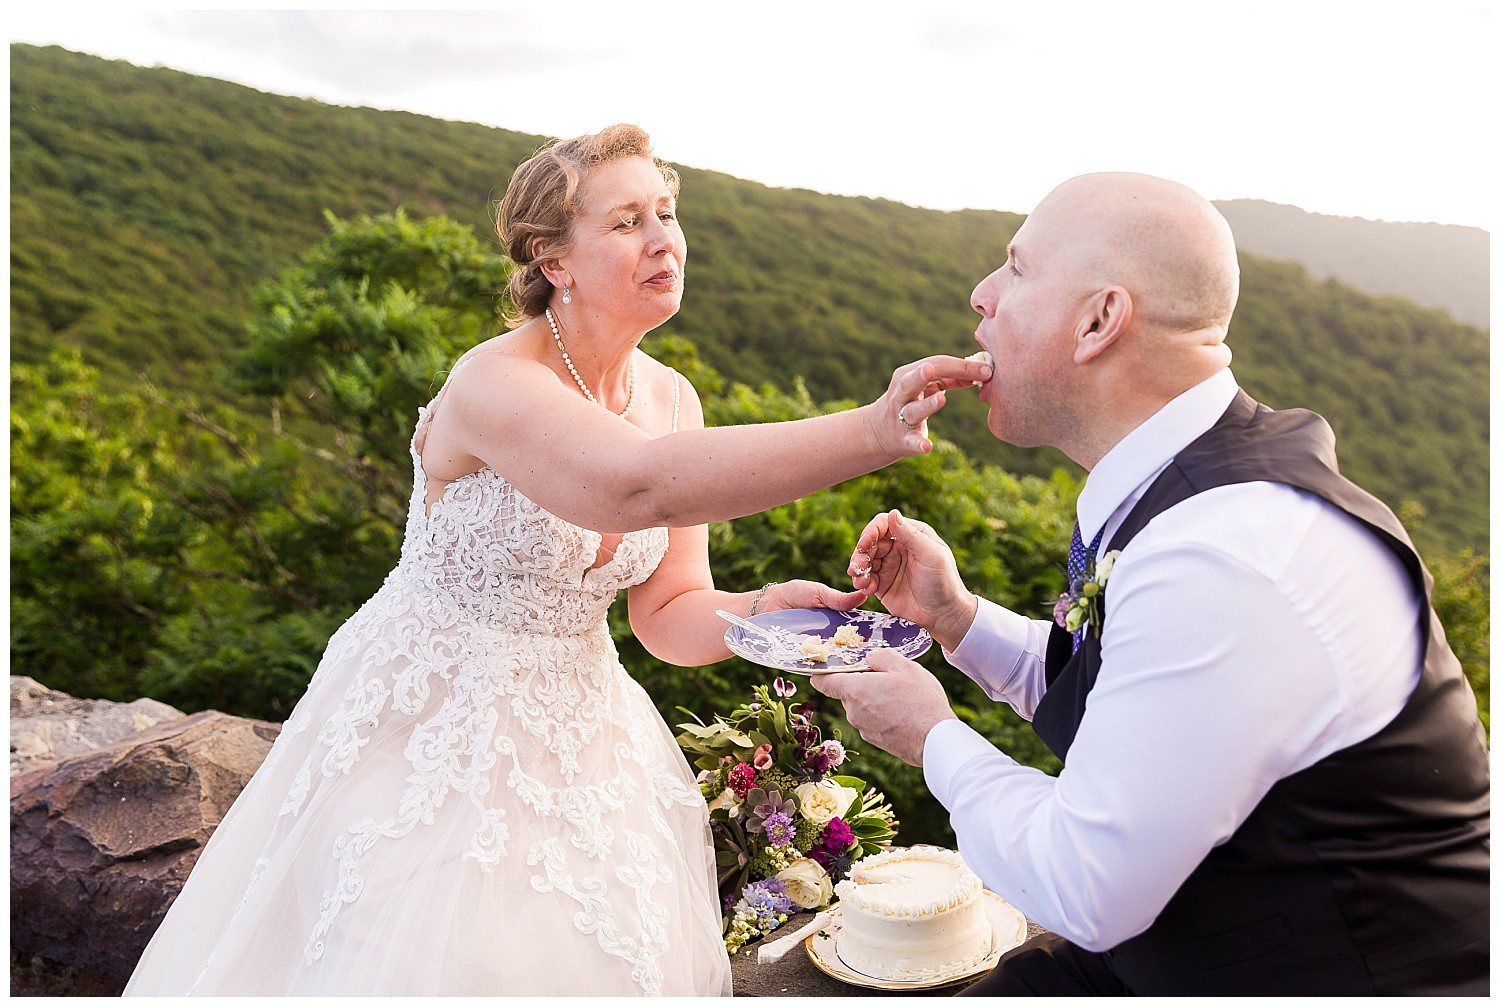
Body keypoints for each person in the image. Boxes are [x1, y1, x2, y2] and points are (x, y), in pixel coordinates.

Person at [123, 124, 991, 996]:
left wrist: (767, 611)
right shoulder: (492, 382)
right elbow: (631, 488)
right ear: (553, 260)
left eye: (667, 212)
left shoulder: (671, 397)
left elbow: (666, 615)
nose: (664, 240)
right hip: (426, 728)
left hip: (586, 738)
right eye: (625, 223)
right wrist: (872, 429)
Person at [814, 173, 1489, 995]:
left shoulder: (1223, 552)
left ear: (1099, 320)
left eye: (1016, 269)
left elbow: (1083, 886)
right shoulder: (1182, 486)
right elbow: (1137, 696)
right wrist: (955, 619)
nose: (981, 294)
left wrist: (931, 737)